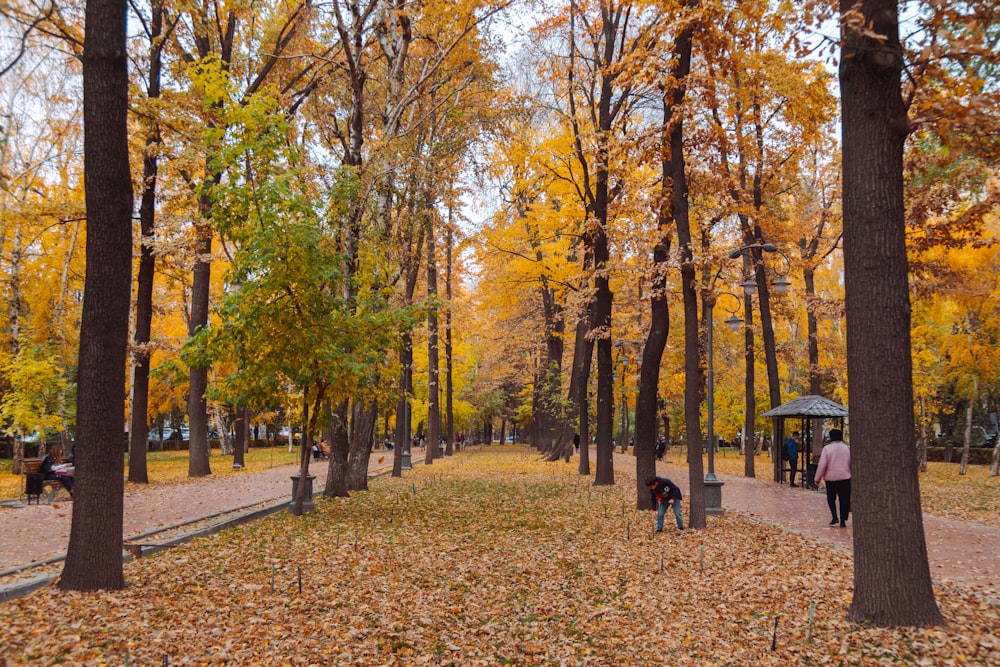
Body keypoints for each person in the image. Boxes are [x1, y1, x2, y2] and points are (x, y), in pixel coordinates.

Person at [814, 428, 851, 527]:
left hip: (831, 479)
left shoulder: (827, 449)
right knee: (844, 499)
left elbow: (822, 465)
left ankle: (834, 516)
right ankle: (843, 519)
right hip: (845, 478)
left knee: (831, 498)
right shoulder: (847, 448)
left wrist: (817, 478)